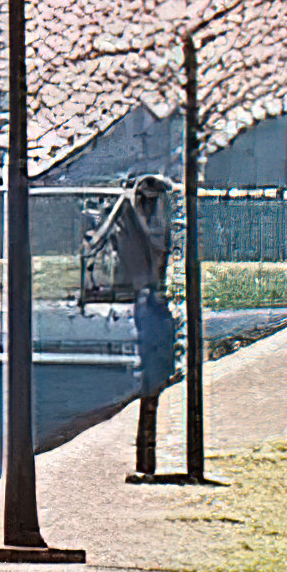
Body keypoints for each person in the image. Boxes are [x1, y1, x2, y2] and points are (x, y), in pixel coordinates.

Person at [99, 171, 179, 474]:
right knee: (149, 390)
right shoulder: (135, 224)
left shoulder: (150, 225)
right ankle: (145, 463)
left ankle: (147, 464)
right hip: (147, 303)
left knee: (151, 392)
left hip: (152, 304)